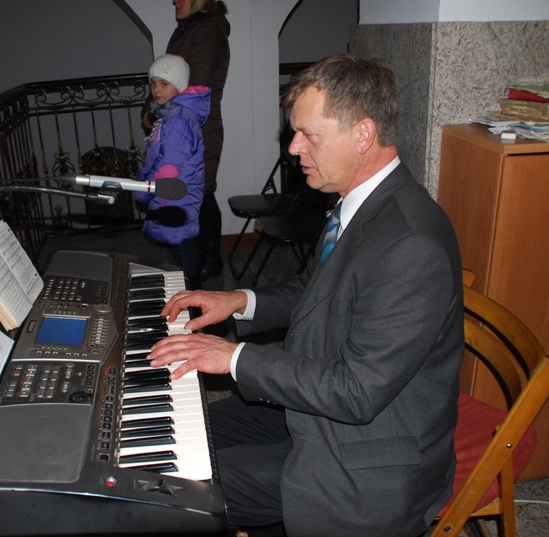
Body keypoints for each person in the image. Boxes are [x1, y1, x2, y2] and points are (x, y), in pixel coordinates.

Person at [146, 54, 464, 537]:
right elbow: (316, 290)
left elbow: (357, 392)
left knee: (176, 489)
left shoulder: (410, 245)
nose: (294, 147)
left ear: (363, 134)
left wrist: (233, 357)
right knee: (191, 432)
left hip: (368, 456)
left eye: (308, 134)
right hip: (321, 406)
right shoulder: (358, 204)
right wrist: (239, 301)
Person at [145, 0, 230, 281]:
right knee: (198, 193)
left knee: (200, 192)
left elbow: (194, 87)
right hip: (184, 124)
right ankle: (200, 260)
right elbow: (169, 77)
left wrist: (159, 111)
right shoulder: (190, 28)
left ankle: (206, 261)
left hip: (197, 128)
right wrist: (153, 108)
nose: (174, 0)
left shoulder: (207, 31)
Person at [136, 54, 210, 288]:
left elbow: (169, 165)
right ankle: (193, 286)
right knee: (182, 240)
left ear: (179, 86)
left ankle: (194, 293)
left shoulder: (178, 119)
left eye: (164, 83)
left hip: (176, 190)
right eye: (153, 83)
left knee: (181, 242)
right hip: (175, 189)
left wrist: (145, 190)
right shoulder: (171, 114)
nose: (156, 89)